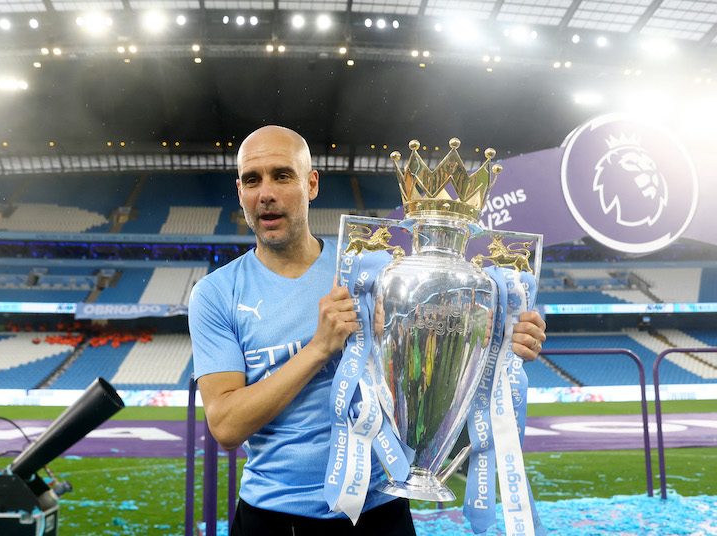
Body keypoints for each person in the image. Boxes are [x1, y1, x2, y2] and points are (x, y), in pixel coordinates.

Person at [188, 125, 547, 536]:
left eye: (282, 175)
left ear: (311, 183)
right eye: (252, 180)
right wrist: (319, 348)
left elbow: (433, 376)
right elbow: (227, 426)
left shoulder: (374, 274)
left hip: (380, 510)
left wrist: (501, 343)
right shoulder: (214, 294)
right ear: (240, 193)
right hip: (271, 518)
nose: (265, 192)